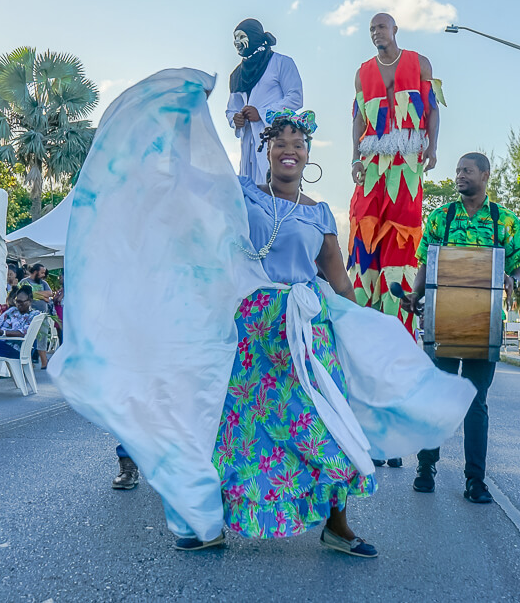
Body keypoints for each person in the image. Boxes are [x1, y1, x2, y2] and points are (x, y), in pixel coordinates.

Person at [50, 70, 476, 559]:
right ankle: (207, 525)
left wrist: (371, 324)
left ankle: (338, 525)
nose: (289, 149)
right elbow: (187, 176)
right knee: (236, 433)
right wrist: (191, 111)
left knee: (326, 427)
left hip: (306, 337)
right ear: (267, 149)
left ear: (309, 153)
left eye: (298, 142)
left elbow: (339, 284)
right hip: (249, 333)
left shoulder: (319, 214)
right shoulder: (243, 197)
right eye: (280, 141)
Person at [402, 152, 520, 502]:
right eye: (457, 170)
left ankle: (475, 480)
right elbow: (425, 266)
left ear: (485, 175)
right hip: (442, 322)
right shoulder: (440, 218)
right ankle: (425, 467)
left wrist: (512, 280)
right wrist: (414, 297)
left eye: (467, 171)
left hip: (485, 324)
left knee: (476, 402)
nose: (460, 175)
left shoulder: (504, 220)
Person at [348, 13, 444, 334]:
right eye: (372, 28)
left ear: (395, 30)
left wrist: (431, 148)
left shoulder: (419, 63)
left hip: (407, 164)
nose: (377, 32)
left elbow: (432, 109)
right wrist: (355, 158)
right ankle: (362, 318)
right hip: (372, 164)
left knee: (402, 234)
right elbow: (358, 119)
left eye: (381, 26)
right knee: (364, 228)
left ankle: (397, 326)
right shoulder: (362, 73)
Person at [225, 18, 302, 184]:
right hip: (249, 143)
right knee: (250, 192)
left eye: (241, 37)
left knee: (276, 191)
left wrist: (261, 113)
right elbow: (231, 109)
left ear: (253, 36)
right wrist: (235, 119)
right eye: (235, 38)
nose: (237, 42)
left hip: (276, 139)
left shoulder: (281, 62)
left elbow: (295, 97)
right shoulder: (236, 75)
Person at [19, 263, 52, 368]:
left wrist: (35, 294)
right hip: (29, 316)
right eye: (41, 272)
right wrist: (43, 296)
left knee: (43, 339)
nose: (43, 275)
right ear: (35, 271)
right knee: (30, 339)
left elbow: (49, 294)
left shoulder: (44, 283)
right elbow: (26, 295)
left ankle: (44, 363)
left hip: (43, 316)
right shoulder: (24, 282)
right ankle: (29, 362)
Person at [0, 285, 37, 358]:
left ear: (30, 300)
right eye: (17, 301)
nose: (18, 304)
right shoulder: (12, 310)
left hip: (16, 348)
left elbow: (24, 332)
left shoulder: (34, 315)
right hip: (1, 342)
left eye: (21, 302)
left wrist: (3, 332)